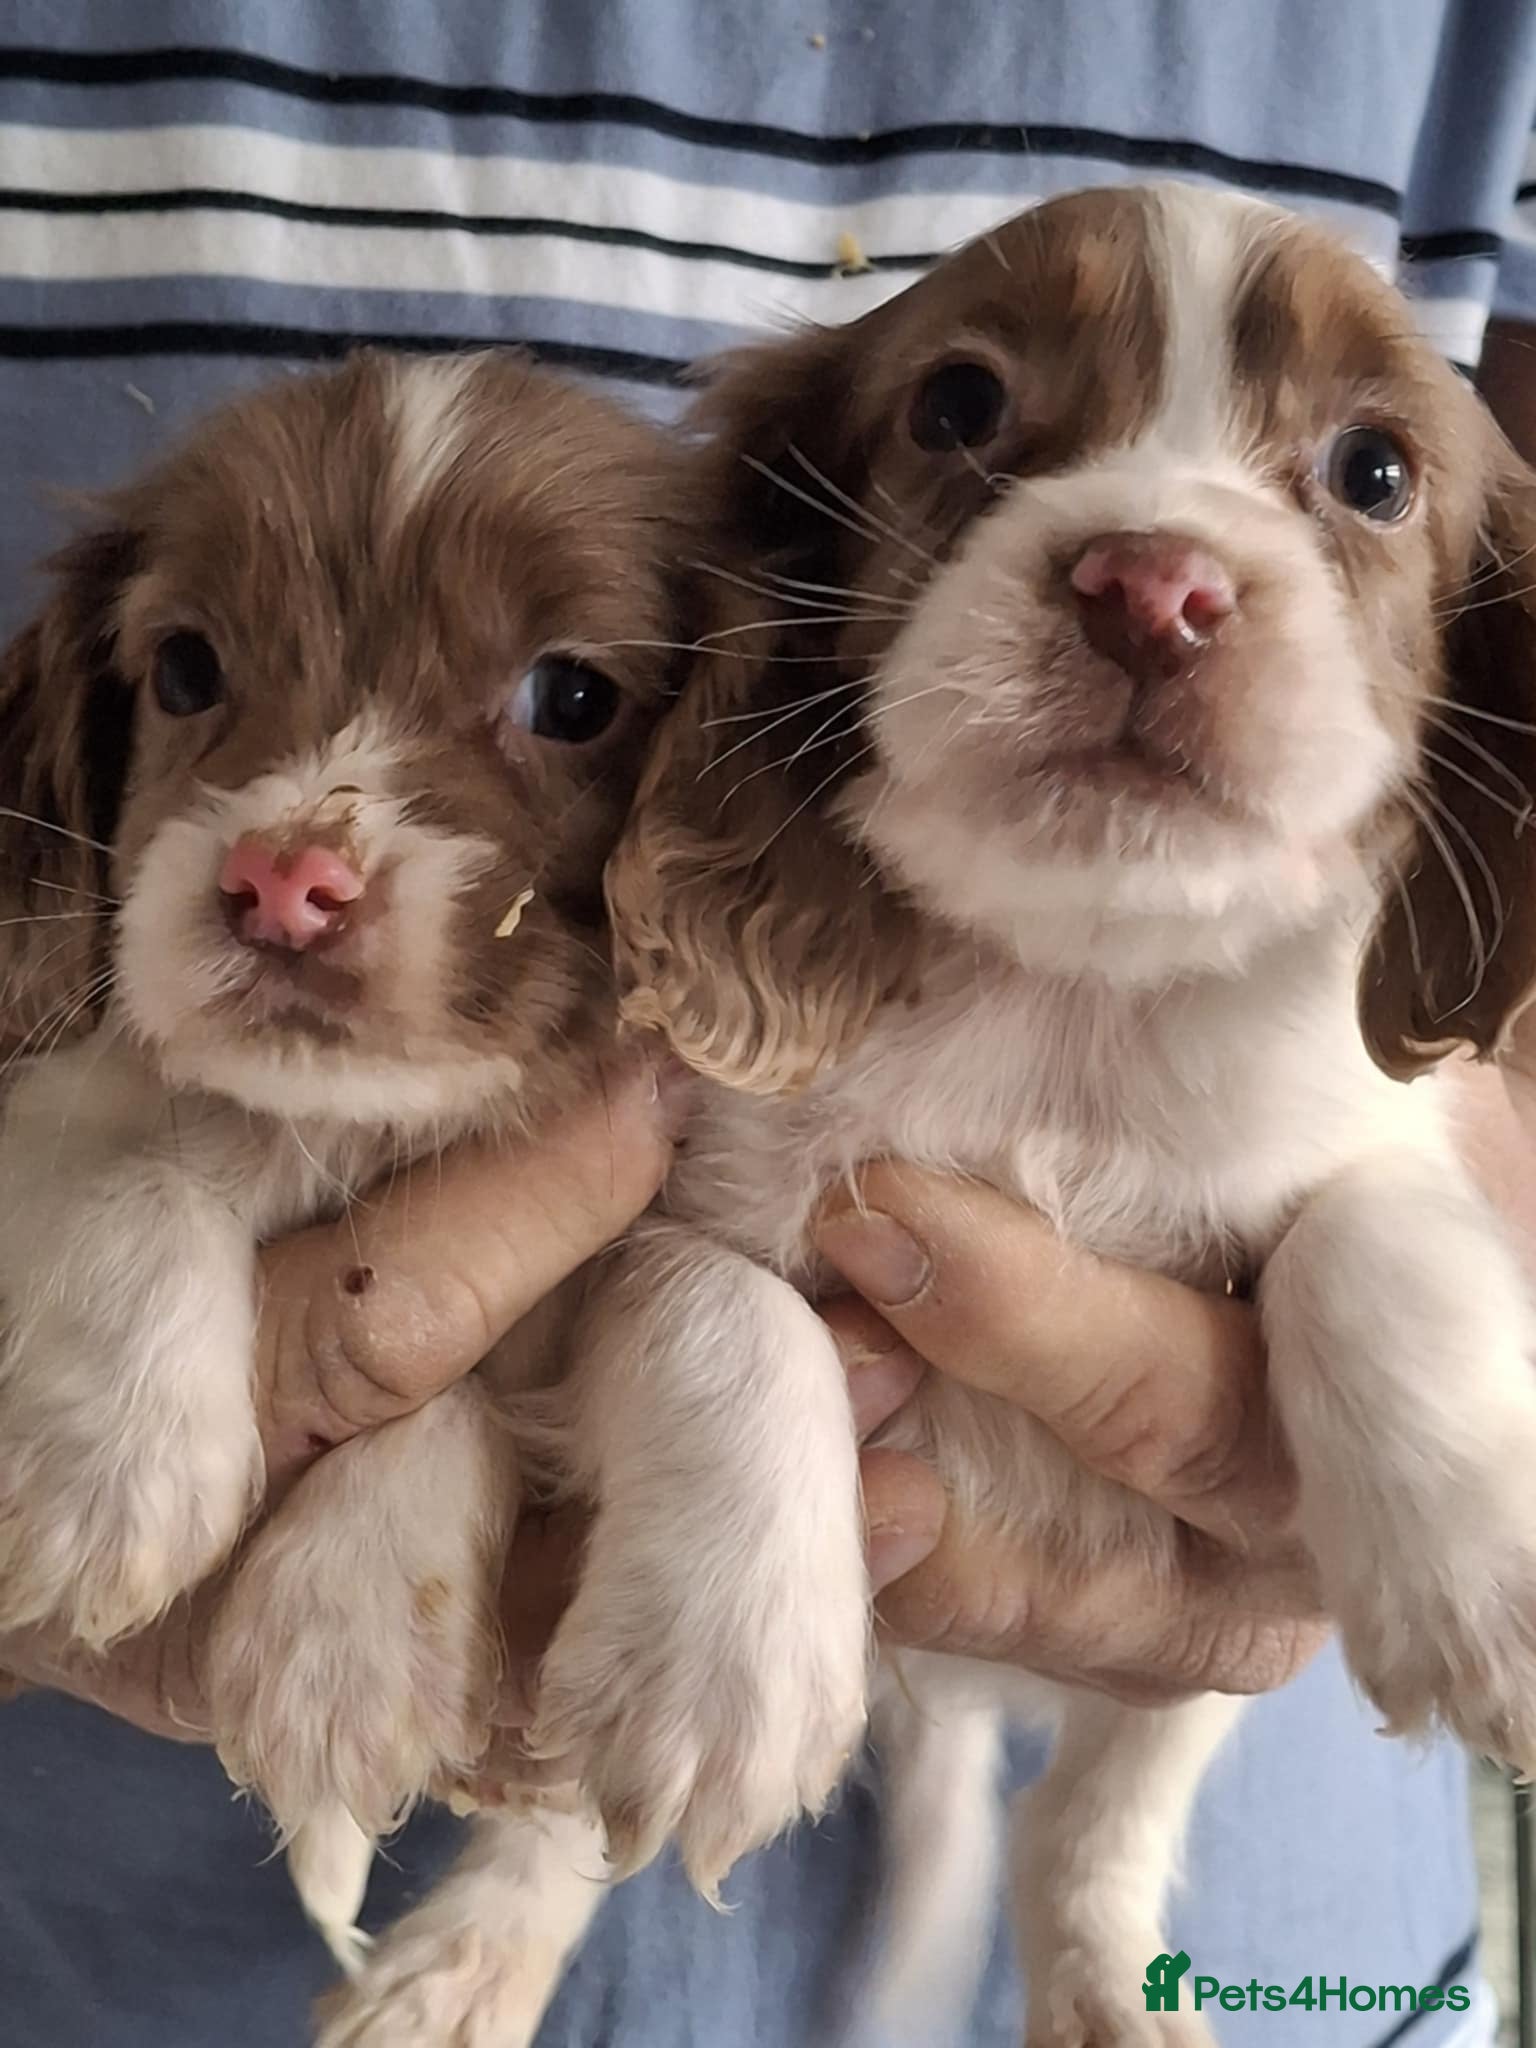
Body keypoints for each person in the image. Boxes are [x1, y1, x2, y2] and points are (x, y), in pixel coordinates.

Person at [3, 4, 1536, 2042]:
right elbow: (676, 1245)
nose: (1163, 570)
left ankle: (1104, 1919)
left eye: (1353, 471)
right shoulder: (781, 875)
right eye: (975, 407)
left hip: (1275, 1890)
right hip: (142, 1938)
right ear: (791, 569)